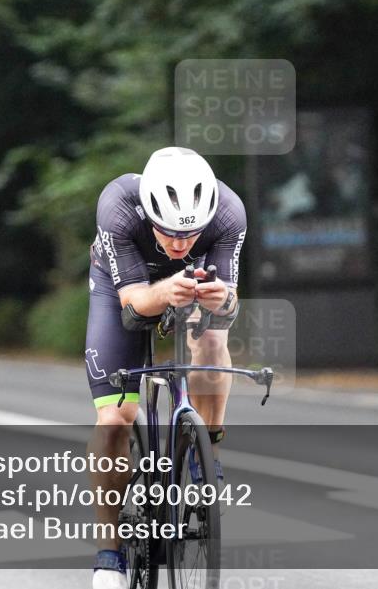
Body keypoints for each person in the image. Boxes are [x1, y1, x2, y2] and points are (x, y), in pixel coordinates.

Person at [85, 147, 245, 589]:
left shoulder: (229, 213)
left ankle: (206, 451)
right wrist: (167, 289)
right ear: (149, 214)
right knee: (114, 419)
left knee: (212, 338)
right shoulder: (118, 205)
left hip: (189, 286)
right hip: (122, 287)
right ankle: (108, 554)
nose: (179, 244)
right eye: (168, 231)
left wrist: (222, 300)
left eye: (189, 235)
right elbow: (133, 307)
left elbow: (229, 306)